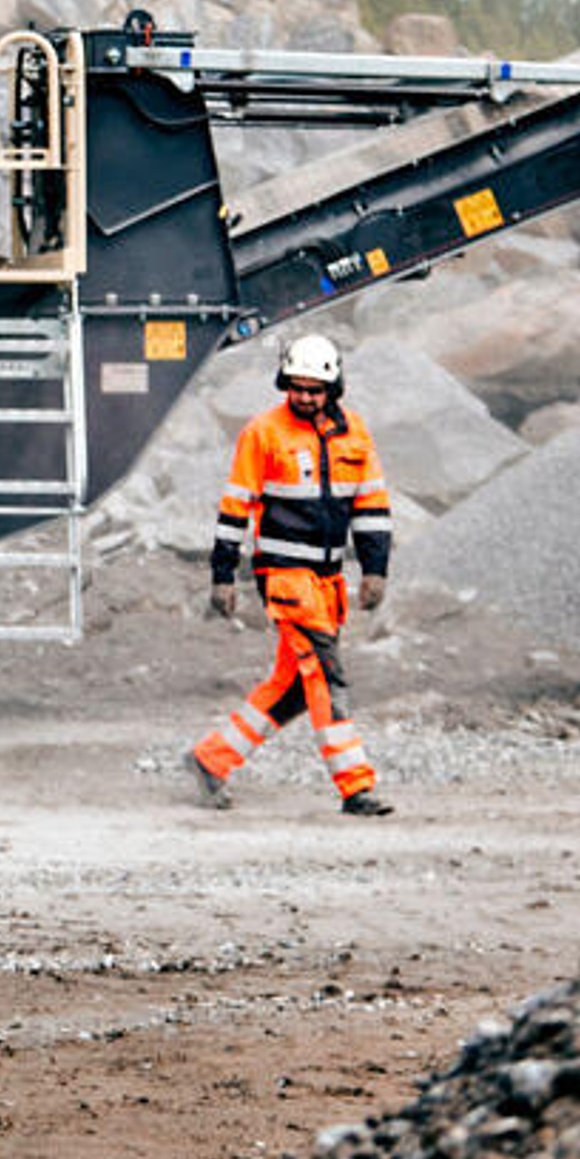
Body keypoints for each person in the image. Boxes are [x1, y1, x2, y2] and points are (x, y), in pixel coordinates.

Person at [193, 334, 394, 816]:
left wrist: (375, 570)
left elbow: (372, 509)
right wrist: (223, 575)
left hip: (327, 582)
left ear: (333, 387)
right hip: (285, 578)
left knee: (296, 686)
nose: (305, 397)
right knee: (326, 676)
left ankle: (211, 759)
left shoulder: (356, 436)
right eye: (297, 387)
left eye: (315, 389)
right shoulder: (263, 433)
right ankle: (354, 786)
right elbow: (234, 508)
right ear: (286, 383)